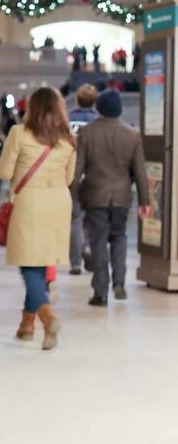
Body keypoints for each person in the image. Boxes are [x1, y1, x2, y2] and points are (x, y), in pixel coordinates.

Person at [0, 87, 77, 350]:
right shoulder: (68, 139)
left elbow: (3, 171)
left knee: (29, 265)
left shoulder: (19, 133)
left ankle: (46, 316)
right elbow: (69, 178)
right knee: (41, 264)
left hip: (30, 201)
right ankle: (27, 325)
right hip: (59, 202)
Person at [74, 89, 151, 306]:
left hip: (95, 195)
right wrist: (145, 201)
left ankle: (100, 291)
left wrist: (69, 193)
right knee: (119, 238)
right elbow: (140, 171)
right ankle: (119, 283)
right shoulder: (132, 134)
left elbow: (78, 168)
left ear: (99, 108)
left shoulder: (87, 133)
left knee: (98, 242)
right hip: (121, 197)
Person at [67, 84, 99, 275]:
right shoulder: (98, 122)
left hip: (73, 174)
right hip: (94, 175)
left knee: (75, 217)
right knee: (92, 217)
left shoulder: (68, 120)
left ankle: (75, 261)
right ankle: (88, 246)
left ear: (77, 99)